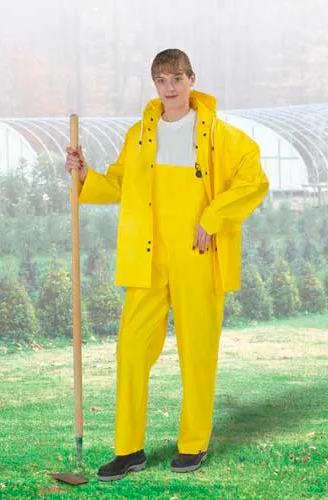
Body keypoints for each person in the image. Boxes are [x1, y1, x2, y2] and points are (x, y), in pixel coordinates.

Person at [65, 48, 269, 482]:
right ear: (154, 84)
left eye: (177, 78)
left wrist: (213, 219)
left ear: (191, 79)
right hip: (148, 256)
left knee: (197, 351)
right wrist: (84, 175)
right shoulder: (139, 136)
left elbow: (254, 179)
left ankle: (193, 443)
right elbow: (119, 183)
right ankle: (128, 449)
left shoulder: (220, 136)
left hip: (197, 256)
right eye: (161, 80)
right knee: (131, 349)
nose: (169, 87)